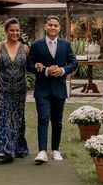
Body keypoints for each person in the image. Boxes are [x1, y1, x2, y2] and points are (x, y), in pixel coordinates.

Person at [26, 15, 78, 164]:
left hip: (59, 89)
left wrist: (62, 70)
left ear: (59, 28)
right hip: (42, 89)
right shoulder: (36, 45)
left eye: (56, 25)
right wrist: (46, 70)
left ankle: (55, 150)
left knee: (57, 121)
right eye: (50, 25)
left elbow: (74, 63)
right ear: (45, 27)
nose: (53, 27)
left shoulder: (65, 45)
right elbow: (29, 65)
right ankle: (42, 151)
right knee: (43, 118)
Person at [0, 18, 30, 164]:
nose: (15, 33)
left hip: (19, 89)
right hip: (2, 88)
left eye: (17, 30)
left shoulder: (25, 48)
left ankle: (17, 148)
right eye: (12, 30)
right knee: (3, 118)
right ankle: (2, 150)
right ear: (6, 31)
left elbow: (31, 67)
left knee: (17, 118)